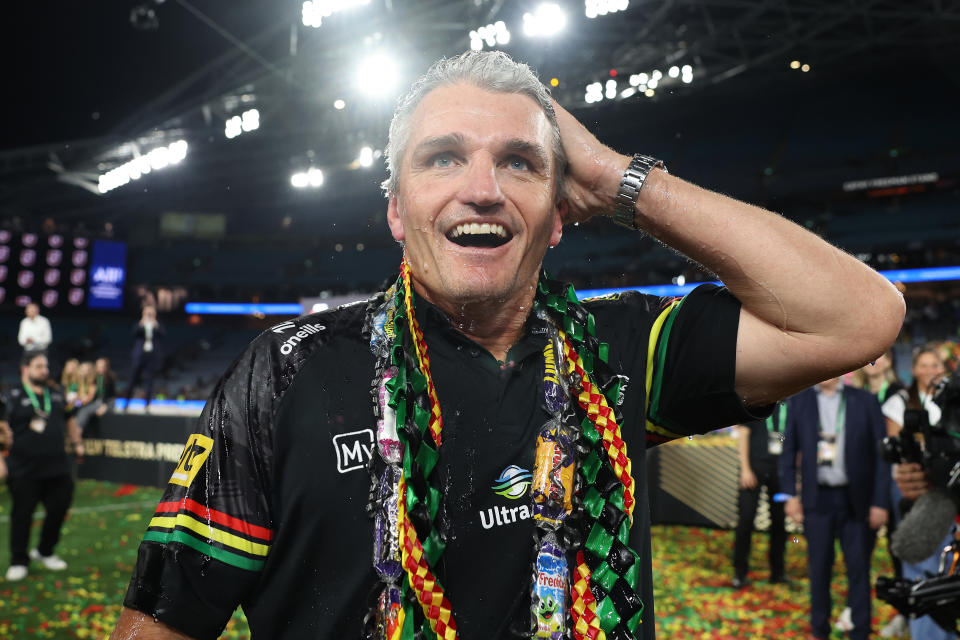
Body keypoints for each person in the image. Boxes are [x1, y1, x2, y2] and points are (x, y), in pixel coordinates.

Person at [110, 51, 904, 640]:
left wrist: (621, 179)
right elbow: (164, 622)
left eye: (520, 162)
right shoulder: (285, 372)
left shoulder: (617, 349)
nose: (482, 188)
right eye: (443, 157)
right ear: (396, 209)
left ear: (561, 214)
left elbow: (857, 318)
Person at [780, 377, 890, 640]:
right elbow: (787, 453)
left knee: (858, 569)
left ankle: (861, 631)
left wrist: (880, 502)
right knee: (818, 569)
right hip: (817, 501)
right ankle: (820, 630)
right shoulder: (799, 402)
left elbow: (882, 456)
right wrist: (789, 496)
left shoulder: (864, 400)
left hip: (856, 500)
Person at [882, 347, 957, 640]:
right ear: (913, 369)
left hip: (948, 495)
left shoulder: (952, 398)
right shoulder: (901, 402)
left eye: (935, 364)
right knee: (921, 562)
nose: (930, 370)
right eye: (924, 365)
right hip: (923, 496)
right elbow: (903, 452)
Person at [2, 351, 84, 581]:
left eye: (46, 366)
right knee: (22, 514)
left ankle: (44, 551)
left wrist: (77, 443)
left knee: (59, 508)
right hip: (23, 467)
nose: (45, 371)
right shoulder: (13, 397)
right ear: (25, 369)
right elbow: (2, 429)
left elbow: (70, 419)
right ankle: (19, 560)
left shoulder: (57, 394)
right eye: (39, 366)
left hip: (57, 466)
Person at [851, 350, 907, 637]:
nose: (874, 362)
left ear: (890, 361)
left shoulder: (899, 394)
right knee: (859, 547)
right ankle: (855, 609)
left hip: (893, 481)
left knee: (898, 549)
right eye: (870, 357)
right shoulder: (853, 394)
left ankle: (904, 613)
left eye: (881, 357)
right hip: (861, 481)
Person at [731, 403, 789, 589]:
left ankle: (777, 572)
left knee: (779, 521)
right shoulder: (758, 403)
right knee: (746, 520)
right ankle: (740, 573)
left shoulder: (790, 404)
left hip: (780, 473)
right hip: (753, 470)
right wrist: (745, 469)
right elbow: (744, 434)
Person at [122, 306, 165, 411]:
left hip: (151, 356)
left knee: (149, 380)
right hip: (139, 355)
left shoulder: (157, 325)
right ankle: (126, 402)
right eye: (147, 313)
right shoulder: (139, 324)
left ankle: (147, 404)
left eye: (151, 313)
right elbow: (134, 333)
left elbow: (163, 334)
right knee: (133, 379)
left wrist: (155, 323)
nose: (149, 314)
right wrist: (143, 321)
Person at [75, 359, 114, 431]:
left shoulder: (108, 379)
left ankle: (77, 433)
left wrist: (105, 405)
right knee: (75, 410)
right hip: (85, 403)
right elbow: (78, 398)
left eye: (102, 366)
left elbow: (109, 396)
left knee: (84, 411)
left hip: (101, 403)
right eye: (82, 370)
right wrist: (77, 403)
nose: (100, 369)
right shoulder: (81, 381)